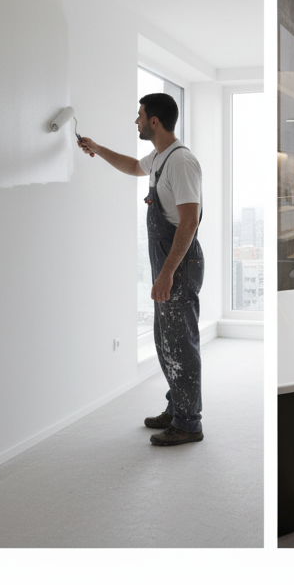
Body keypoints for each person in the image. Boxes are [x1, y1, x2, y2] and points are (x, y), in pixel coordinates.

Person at [78, 93, 206, 447]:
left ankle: (189, 423)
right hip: (167, 264)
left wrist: (166, 274)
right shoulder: (159, 158)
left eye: (139, 116)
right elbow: (134, 166)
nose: (135, 121)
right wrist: (97, 149)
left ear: (154, 121)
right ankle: (176, 409)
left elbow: (189, 221)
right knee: (166, 342)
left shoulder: (181, 162)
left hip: (178, 264)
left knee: (181, 346)